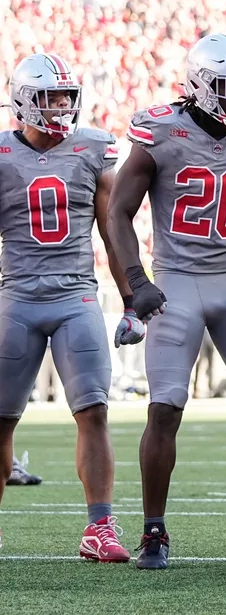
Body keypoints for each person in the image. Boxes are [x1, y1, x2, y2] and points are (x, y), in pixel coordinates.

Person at [108, 33, 226, 569]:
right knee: (165, 407)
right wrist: (135, 282)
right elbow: (119, 211)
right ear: (198, 84)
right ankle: (153, 531)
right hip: (177, 284)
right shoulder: (161, 130)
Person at [0, 53, 142, 561]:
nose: (60, 106)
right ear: (23, 100)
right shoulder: (1, 153)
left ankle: (99, 527)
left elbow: (114, 227)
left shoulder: (94, 147)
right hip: (16, 296)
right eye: (49, 98)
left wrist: (132, 297)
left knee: (95, 411)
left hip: (75, 295)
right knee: (1, 420)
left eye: (66, 97)